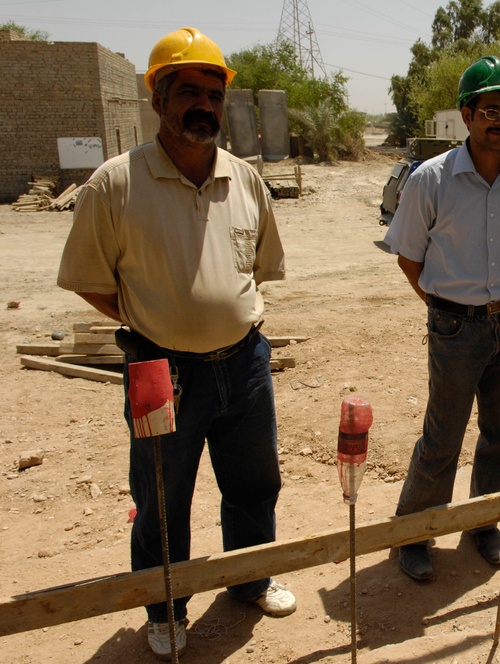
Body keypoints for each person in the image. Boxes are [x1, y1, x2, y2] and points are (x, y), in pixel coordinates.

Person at [57, 27, 296, 660]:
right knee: (161, 497)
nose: (204, 105)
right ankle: (165, 608)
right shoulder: (115, 185)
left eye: (214, 94)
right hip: (157, 370)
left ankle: (250, 580)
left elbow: (257, 269)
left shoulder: (245, 180)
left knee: (254, 481)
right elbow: (88, 280)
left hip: (245, 363)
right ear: (158, 100)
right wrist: (150, 316)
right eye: (187, 91)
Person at [384, 56, 500, 581]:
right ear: (466, 114)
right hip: (455, 328)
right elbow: (409, 255)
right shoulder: (431, 180)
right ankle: (413, 535)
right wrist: (444, 307)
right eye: (491, 110)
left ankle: (484, 522)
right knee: (443, 436)